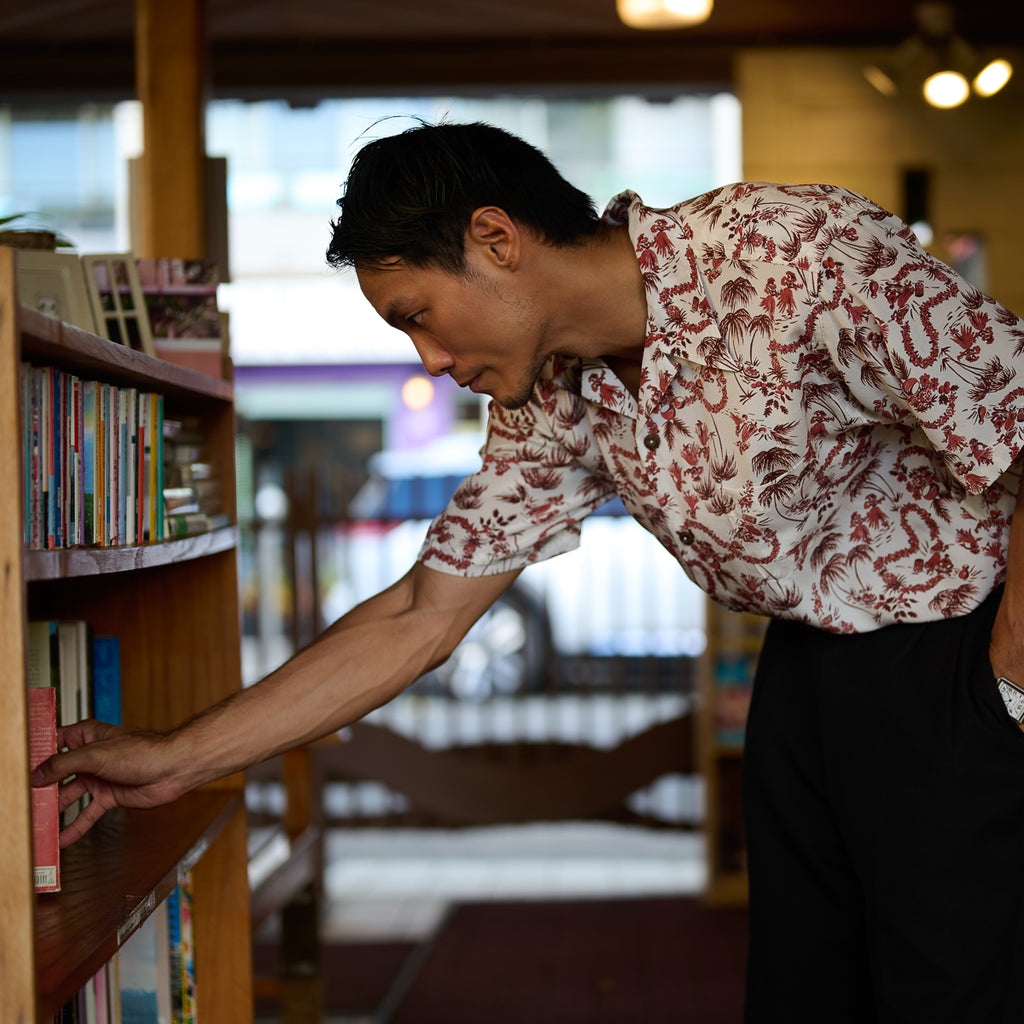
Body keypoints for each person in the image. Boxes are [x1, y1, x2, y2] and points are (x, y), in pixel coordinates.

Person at [34, 121, 1024, 1022]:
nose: (425, 360)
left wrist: (1008, 674)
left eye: (418, 314)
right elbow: (422, 612)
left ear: (497, 239)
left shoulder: (795, 254)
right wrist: (175, 757)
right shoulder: (554, 396)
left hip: (956, 661)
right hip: (803, 682)